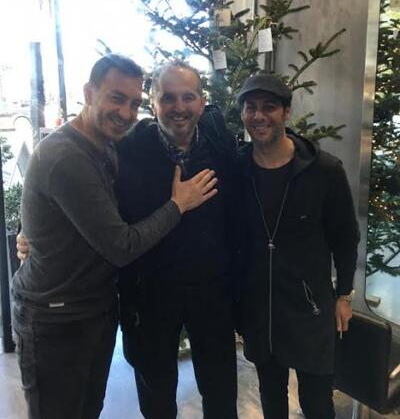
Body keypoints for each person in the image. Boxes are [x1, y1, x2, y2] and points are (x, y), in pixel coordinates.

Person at [11, 54, 218, 419]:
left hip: (95, 308)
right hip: (56, 316)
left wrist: (31, 229)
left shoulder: (108, 145)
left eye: (134, 103)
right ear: (89, 93)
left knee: (87, 409)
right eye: (116, 98)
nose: (126, 112)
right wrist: (179, 204)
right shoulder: (67, 157)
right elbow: (121, 246)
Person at [116, 61, 238, 419]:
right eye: (168, 98)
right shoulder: (127, 151)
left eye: (188, 97)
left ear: (202, 102)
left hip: (212, 291)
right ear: (153, 102)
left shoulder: (221, 147)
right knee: (156, 397)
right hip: (151, 294)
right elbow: (88, 195)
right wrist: (31, 230)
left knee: (220, 394)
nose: (179, 107)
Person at [234, 71, 359, 419]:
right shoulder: (237, 169)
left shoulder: (324, 171)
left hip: (310, 309)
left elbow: (346, 237)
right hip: (260, 311)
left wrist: (344, 295)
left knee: (317, 404)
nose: (258, 115)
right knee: (271, 398)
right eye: (250, 107)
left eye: (269, 107)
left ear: (286, 112)